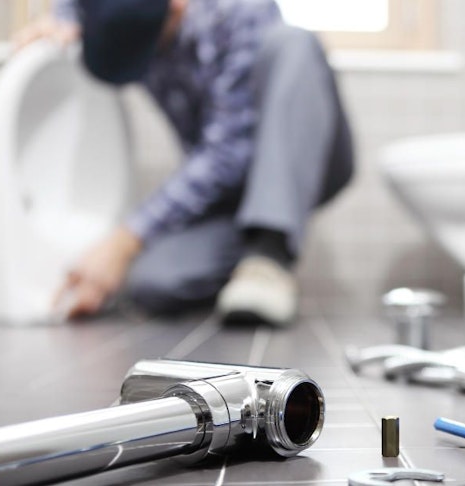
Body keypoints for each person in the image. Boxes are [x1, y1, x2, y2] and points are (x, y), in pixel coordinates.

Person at [18, 0, 354, 325]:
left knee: (292, 43)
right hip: (229, 195)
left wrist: (124, 241)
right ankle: (247, 260)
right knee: (153, 282)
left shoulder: (239, 12)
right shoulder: (135, 21)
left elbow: (227, 154)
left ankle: (268, 255)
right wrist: (62, 21)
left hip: (308, 156)